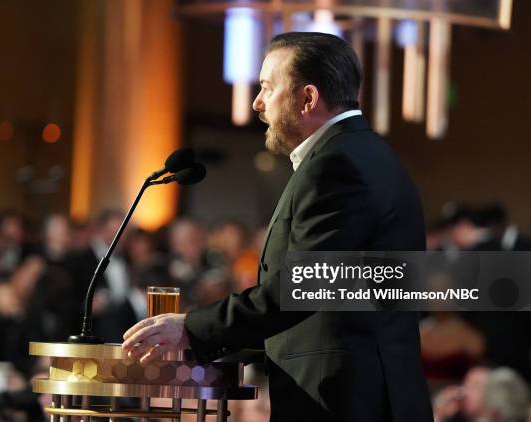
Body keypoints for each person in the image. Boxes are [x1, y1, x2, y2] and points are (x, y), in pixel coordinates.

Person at [122, 32, 433, 421]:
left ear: (307, 98)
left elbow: (298, 290)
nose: (257, 102)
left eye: (268, 87)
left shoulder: (337, 166)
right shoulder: (366, 155)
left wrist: (193, 328)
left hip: (342, 401)